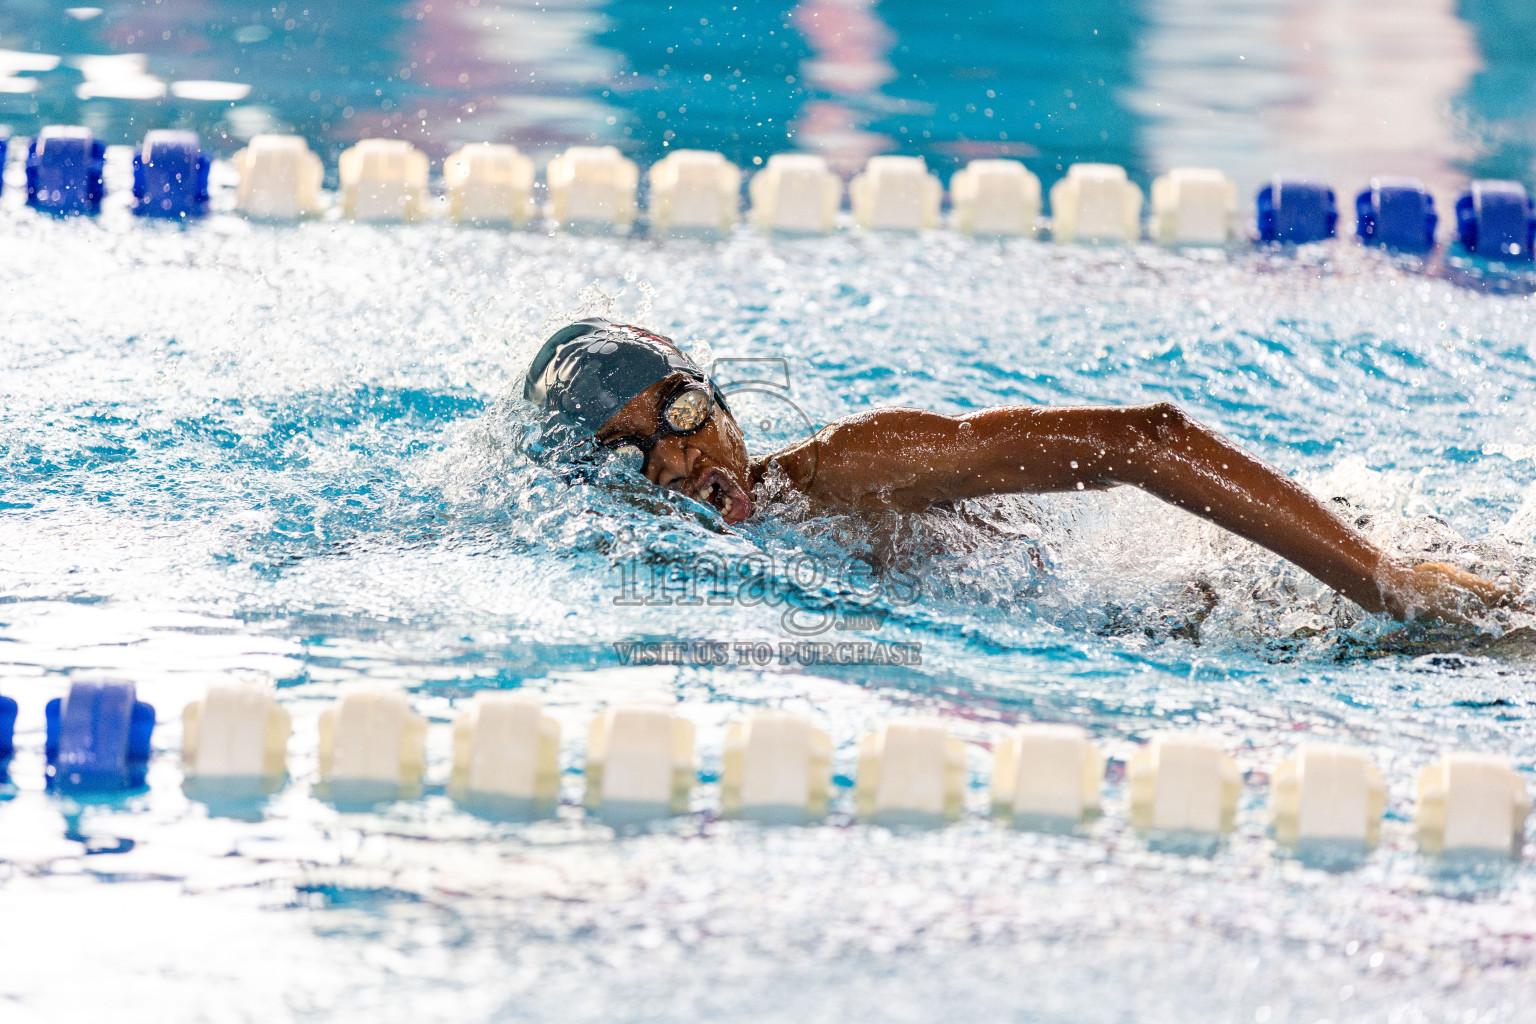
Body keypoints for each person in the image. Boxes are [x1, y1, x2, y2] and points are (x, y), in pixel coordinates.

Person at [525, 317, 1515, 624]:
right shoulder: (673, 581)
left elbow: (1147, 440)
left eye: (687, 409)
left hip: (1256, 594)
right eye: (636, 447)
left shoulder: (853, 469)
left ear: (723, 399)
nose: (685, 451)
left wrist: (1385, 579)